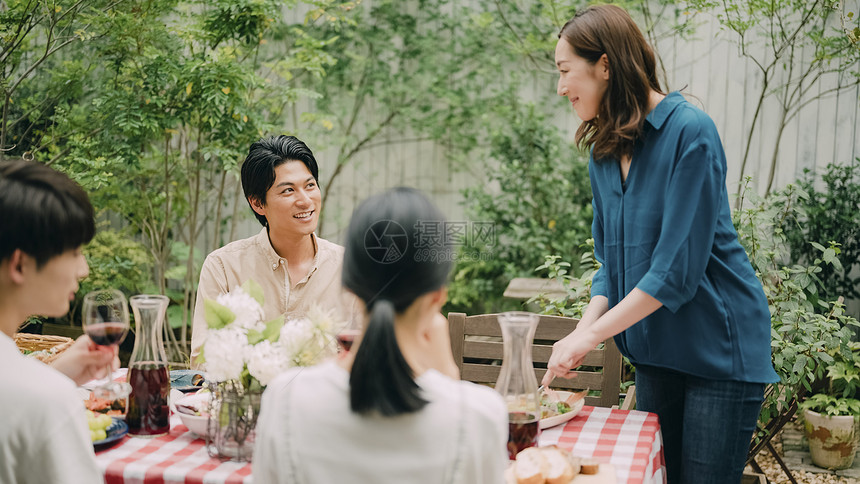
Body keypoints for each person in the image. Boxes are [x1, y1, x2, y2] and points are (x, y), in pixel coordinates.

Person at [541, 5, 779, 484]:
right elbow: (610, 265)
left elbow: (676, 273)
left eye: (566, 71)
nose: (561, 87)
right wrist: (578, 333)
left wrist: (591, 337)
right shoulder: (603, 152)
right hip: (654, 355)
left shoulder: (690, 132)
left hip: (719, 353)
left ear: (605, 65)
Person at [253, 188, 508, 484]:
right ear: (438, 296)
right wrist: (450, 379)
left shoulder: (285, 401)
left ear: (349, 288)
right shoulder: (480, 416)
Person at [0, 159, 117, 484]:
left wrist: (56, 375)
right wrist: (50, 386)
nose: (84, 270)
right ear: (20, 265)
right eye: (75, 252)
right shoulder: (45, 400)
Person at [190, 135, 350, 367]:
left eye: (310, 185)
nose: (305, 200)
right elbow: (203, 362)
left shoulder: (350, 267)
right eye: (288, 191)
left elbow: (371, 355)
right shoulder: (223, 267)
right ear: (257, 203)